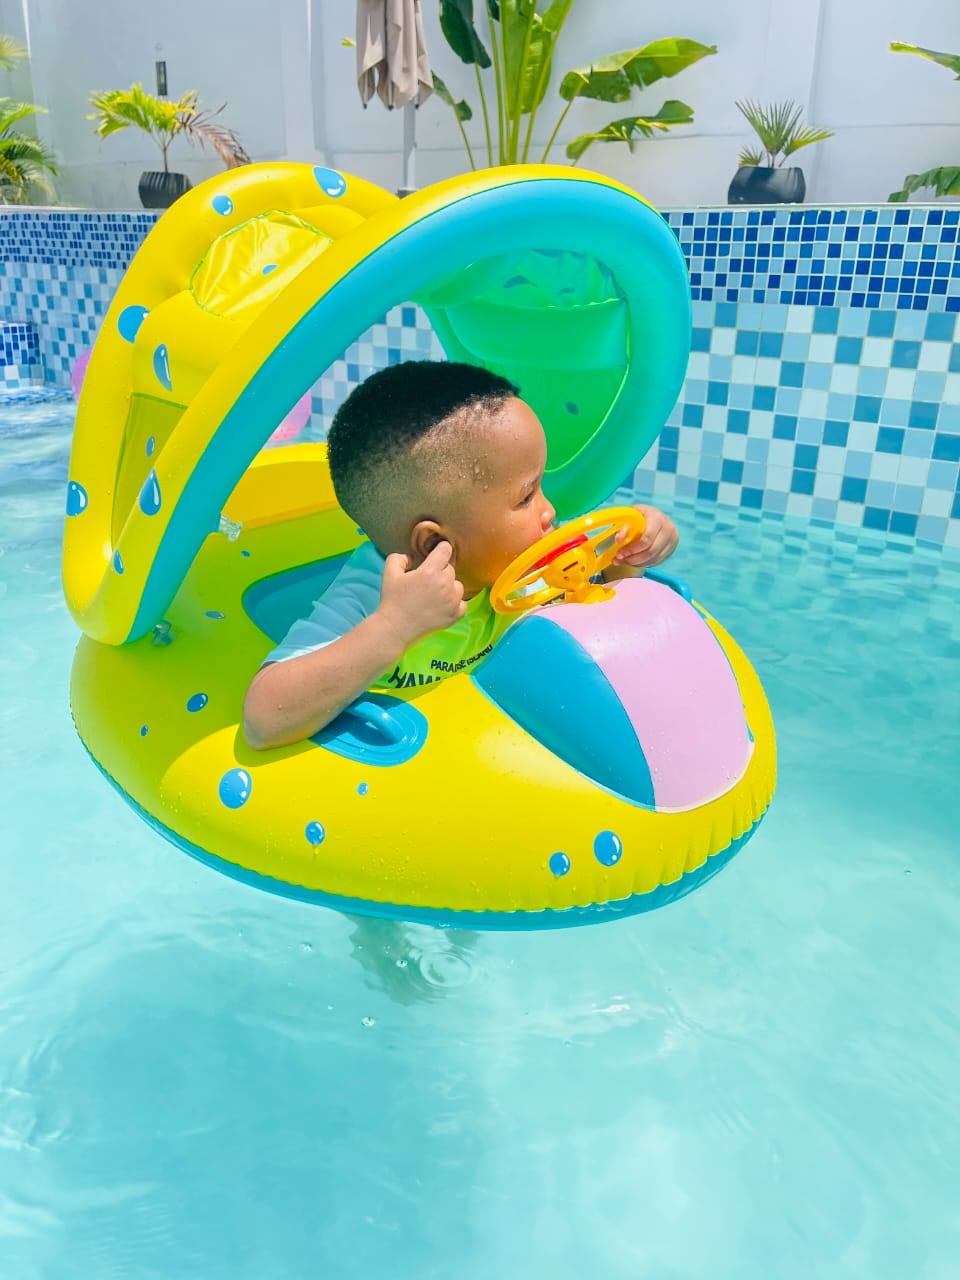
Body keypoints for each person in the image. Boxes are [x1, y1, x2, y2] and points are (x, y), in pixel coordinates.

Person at [243, 361, 679, 750]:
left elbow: (602, 628)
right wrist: (394, 628)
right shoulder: (368, 600)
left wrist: (630, 557)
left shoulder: (524, 564)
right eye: (527, 497)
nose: (551, 512)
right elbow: (263, 720)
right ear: (434, 545)